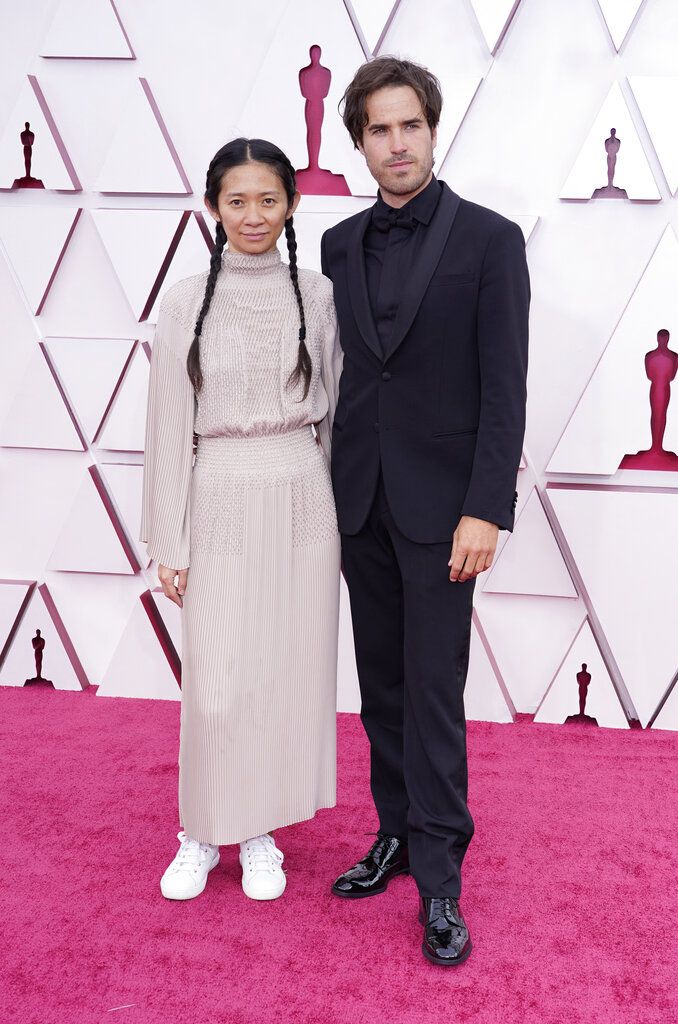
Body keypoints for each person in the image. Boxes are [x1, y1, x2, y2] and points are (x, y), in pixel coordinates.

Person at [320, 57, 530, 966]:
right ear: (358, 141)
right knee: (383, 691)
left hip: (448, 513)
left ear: (433, 131)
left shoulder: (491, 240)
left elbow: (505, 389)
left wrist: (487, 508)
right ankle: (395, 835)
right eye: (379, 129)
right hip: (359, 499)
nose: (396, 144)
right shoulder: (335, 244)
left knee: (435, 694)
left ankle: (442, 880)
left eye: (410, 126)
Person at [139, 138, 342, 903]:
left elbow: (341, 417)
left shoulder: (317, 295)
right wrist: (170, 538)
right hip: (217, 487)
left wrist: (348, 520)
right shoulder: (187, 297)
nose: (253, 215)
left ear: (290, 203)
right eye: (236, 200)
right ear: (212, 206)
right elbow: (167, 422)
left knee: (278, 677)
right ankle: (200, 830)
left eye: (268, 199)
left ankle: (258, 833)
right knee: (216, 684)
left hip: (301, 496)